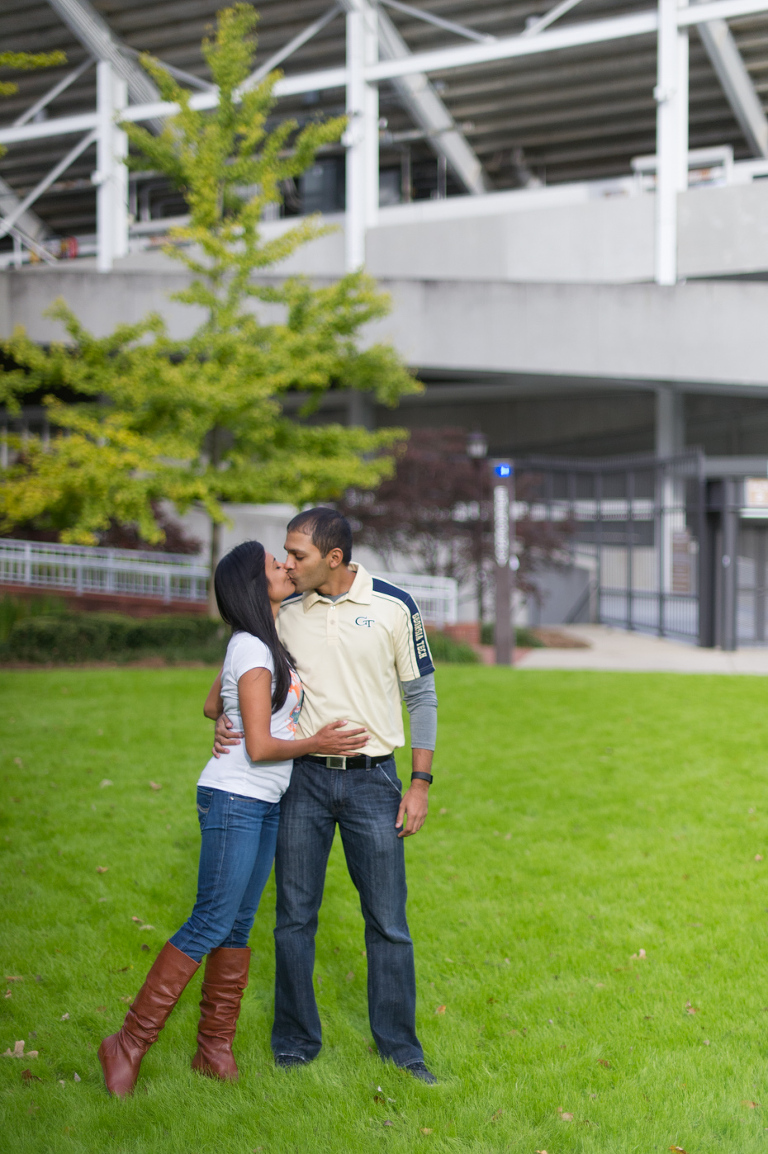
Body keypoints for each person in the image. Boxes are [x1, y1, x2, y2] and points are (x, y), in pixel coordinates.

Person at [98, 540, 367, 1098]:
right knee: (210, 920)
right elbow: (263, 746)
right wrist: (315, 740)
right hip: (236, 797)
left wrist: (230, 721)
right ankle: (127, 1043)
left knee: (237, 926)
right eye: (275, 565)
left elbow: (211, 705)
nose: (286, 567)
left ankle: (212, 1048)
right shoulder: (252, 649)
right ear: (253, 584)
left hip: (263, 800)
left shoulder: (259, 644)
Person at [214, 509, 439, 1083]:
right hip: (302, 781)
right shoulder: (282, 612)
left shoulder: (395, 605)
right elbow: (236, 682)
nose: (287, 564)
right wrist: (222, 720)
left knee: (388, 921)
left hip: (375, 781)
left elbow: (423, 699)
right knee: (293, 917)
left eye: (298, 555)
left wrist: (419, 782)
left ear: (333, 558)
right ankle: (293, 1040)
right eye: (284, 555)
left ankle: (399, 1048)